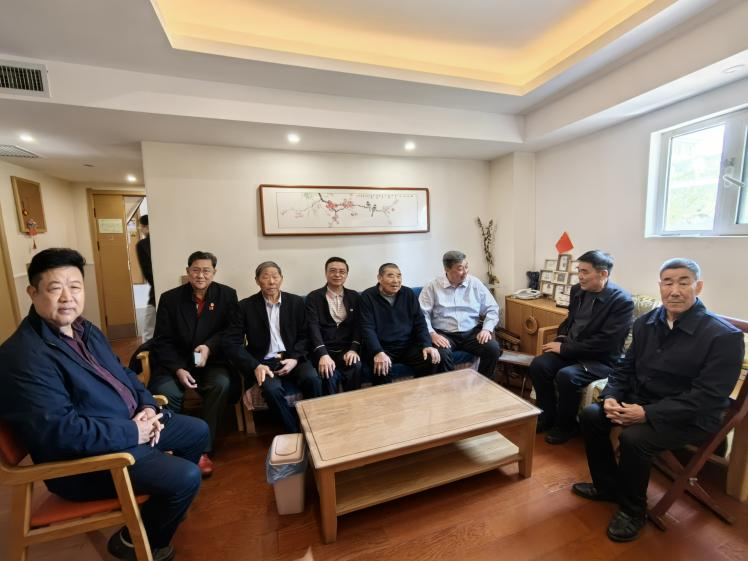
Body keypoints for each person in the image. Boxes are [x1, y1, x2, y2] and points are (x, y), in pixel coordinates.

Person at [0, 248, 208, 561]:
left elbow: (124, 374)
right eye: (55, 288)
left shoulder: (85, 329)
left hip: (128, 427)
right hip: (91, 459)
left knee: (197, 431)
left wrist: (147, 407)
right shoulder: (23, 356)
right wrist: (133, 432)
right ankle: (135, 542)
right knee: (186, 477)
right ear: (33, 292)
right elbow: (62, 433)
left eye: (75, 287)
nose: (67, 297)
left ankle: (161, 510)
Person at [572, 258, 744, 542]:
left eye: (683, 282)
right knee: (592, 415)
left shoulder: (723, 336)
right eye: (668, 282)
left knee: (634, 438)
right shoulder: (645, 323)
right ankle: (607, 487)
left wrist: (647, 413)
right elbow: (624, 368)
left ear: (698, 287)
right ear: (660, 286)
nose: (674, 290)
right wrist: (612, 396)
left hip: (692, 416)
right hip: (642, 401)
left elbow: (707, 397)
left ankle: (633, 511)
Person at [528, 250, 634, 444]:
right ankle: (547, 416)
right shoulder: (578, 290)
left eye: (585, 271)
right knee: (539, 365)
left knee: (567, 376)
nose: (580, 276)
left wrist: (565, 349)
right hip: (573, 350)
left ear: (603, 274)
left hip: (601, 359)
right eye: (579, 270)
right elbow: (570, 321)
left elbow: (607, 342)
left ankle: (566, 426)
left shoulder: (621, 301)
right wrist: (561, 339)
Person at [148, 251, 238, 477]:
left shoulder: (227, 295)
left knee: (221, 384)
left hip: (211, 360)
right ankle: (168, 447)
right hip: (175, 362)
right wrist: (177, 369)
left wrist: (209, 346)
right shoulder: (170, 298)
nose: (201, 275)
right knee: (166, 392)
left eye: (206, 271)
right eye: (196, 270)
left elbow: (231, 332)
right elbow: (161, 340)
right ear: (188, 271)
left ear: (214, 272)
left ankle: (201, 449)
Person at [224, 261, 322, 433]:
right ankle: (294, 431)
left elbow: (305, 335)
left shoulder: (296, 302)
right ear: (257, 280)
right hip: (263, 363)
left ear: (281, 279)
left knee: (312, 379)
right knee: (272, 389)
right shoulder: (245, 306)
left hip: (293, 357)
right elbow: (231, 343)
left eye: (275, 277)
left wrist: (294, 359)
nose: (271, 281)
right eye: (265, 277)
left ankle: (314, 425)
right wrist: (255, 365)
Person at [419, 250, 502, 378]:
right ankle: (450, 388)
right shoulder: (432, 287)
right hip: (444, 334)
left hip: (471, 333)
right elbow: (421, 314)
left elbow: (492, 308)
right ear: (446, 269)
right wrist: (432, 334)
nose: (465, 272)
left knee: (493, 349)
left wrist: (486, 329)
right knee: (442, 355)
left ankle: (482, 384)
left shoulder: (475, 283)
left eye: (466, 267)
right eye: (460, 269)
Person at [359, 263, 442, 383]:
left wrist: (427, 345)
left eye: (398, 276)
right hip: (383, 347)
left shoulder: (408, 294)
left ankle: (419, 392)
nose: (396, 280)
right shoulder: (367, 297)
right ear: (379, 278)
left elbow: (420, 322)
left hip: (407, 345)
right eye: (390, 276)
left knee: (430, 358)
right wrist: (377, 351)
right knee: (382, 368)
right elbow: (367, 328)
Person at [306, 257, 363, 394]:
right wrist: (323, 354)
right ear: (326, 273)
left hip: (346, 350)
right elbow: (313, 328)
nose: (337, 275)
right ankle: (330, 406)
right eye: (332, 271)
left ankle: (354, 403)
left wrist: (354, 349)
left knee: (355, 365)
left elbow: (358, 326)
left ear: (347, 275)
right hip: (324, 349)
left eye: (342, 271)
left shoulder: (354, 296)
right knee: (327, 372)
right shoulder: (314, 297)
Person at [136, 214, 156, 340]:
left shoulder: (142, 244)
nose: (140, 229)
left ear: (146, 227)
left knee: (149, 330)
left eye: (141, 226)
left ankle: (146, 351)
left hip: (155, 292)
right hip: (170, 289)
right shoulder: (166, 241)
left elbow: (147, 271)